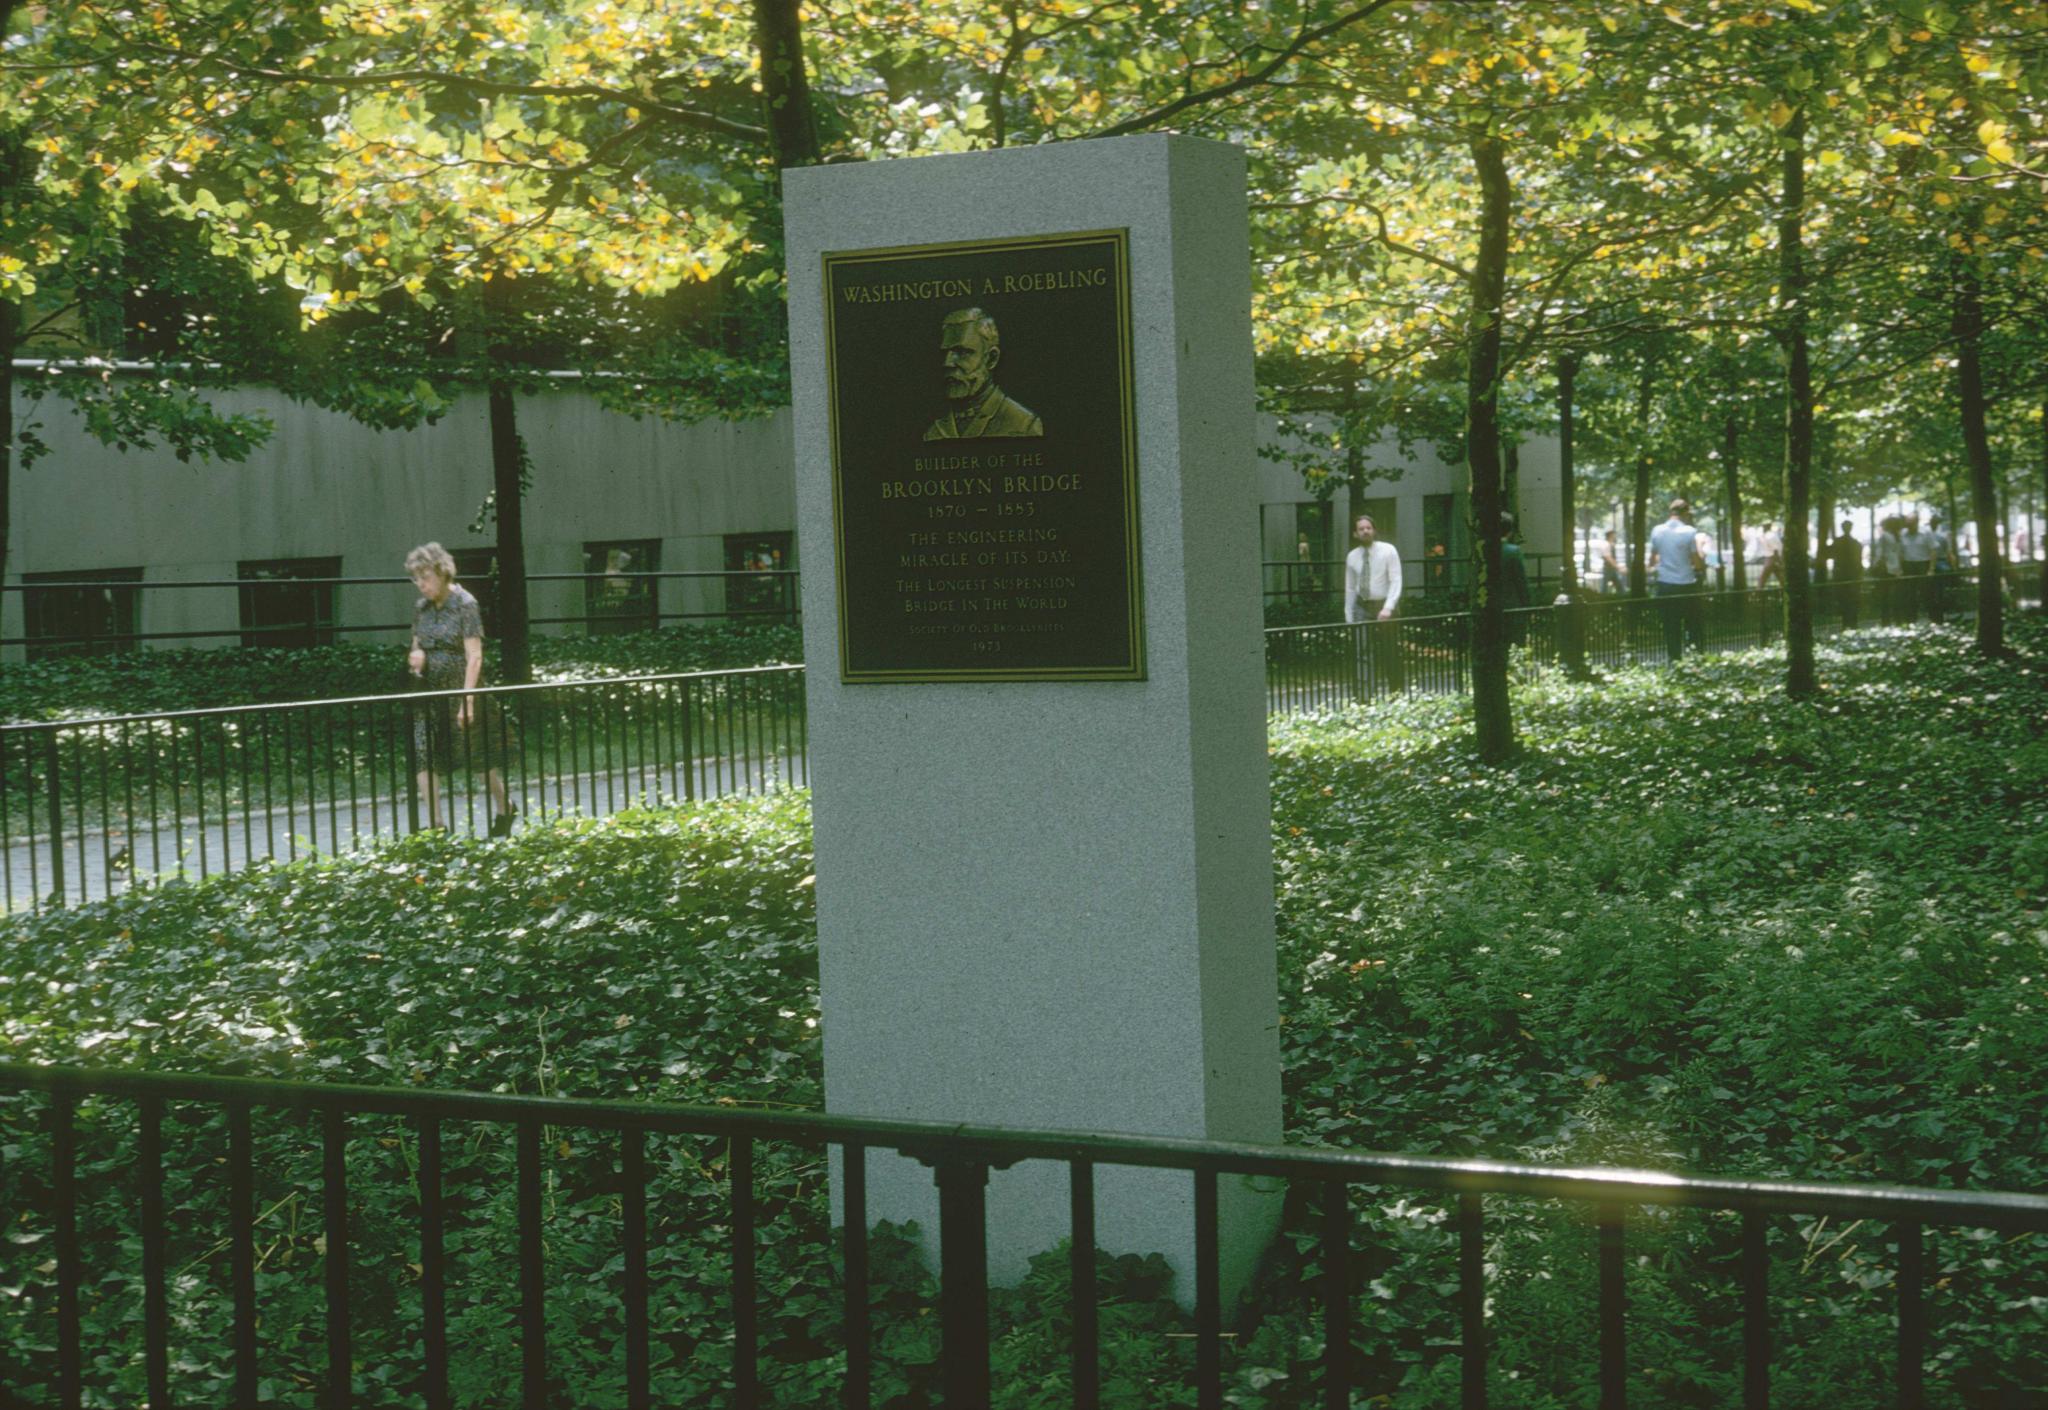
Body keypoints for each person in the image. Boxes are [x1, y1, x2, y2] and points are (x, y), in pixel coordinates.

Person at [407, 542, 517, 836]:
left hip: (462, 690)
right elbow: (417, 645)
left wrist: (467, 702)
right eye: (416, 578)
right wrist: (416, 657)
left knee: (479, 760)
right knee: (423, 755)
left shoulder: (465, 603)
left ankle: (505, 806)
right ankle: (437, 828)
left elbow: (475, 656)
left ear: (443, 573)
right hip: (429, 694)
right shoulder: (422, 608)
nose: (421, 585)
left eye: (425, 577)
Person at [922, 308, 1043, 440]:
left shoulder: (1023, 425)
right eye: (945, 353)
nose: (947, 363)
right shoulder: (934, 431)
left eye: (962, 352)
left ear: (991, 359)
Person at [1343, 513, 1405, 696]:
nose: (1365, 531)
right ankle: (1364, 697)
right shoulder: (1352, 557)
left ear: (1374, 531)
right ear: (1355, 534)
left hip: (1384, 606)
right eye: (1361, 529)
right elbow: (1350, 587)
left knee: (1390, 650)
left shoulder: (1388, 551)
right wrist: (1348, 615)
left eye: (1368, 528)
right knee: (1362, 652)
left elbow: (1396, 580)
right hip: (1362, 607)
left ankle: (1396, 694)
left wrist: (1388, 607)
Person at [1646, 497, 1707, 663]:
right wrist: (1701, 549)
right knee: (1693, 623)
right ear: (1686, 513)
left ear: (1670, 512)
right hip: (1686, 584)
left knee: (1670, 624)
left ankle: (1674, 659)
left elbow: (1652, 560)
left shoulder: (1657, 531)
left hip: (1665, 584)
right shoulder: (1690, 532)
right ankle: (1695, 657)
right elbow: (1697, 563)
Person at [1500, 513, 1531, 645]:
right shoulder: (1513, 551)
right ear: (1510, 531)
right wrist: (1527, 605)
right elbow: (1521, 581)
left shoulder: (1482, 550)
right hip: (1512, 607)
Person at [1827, 518, 1863, 628]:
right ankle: (1852, 623)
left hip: (1844, 574)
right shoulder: (1855, 543)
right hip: (1849, 574)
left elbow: (1832, 555)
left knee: (1846, 599)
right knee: (1850, 599)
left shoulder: (1839, 542)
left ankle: (1847, 623)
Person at [1899, 512, 1934, 621]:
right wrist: (1900, 567)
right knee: (1910, 594)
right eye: (1907, 524)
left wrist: (1931, 569)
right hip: (1908, 565)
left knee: (1927, 592)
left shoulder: (1926, 532)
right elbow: (1900, 551)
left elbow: (1933, 551)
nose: (1909, 526)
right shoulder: (1903, 534)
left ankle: (1932, 617)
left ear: (1917, 523)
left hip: (1923, 564)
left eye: (1911, 524)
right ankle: (1911, 619)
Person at [1872, 515, 1905, 625]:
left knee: (1885, 596)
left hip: (1886, 568)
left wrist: (1875, 564)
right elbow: (1900, 554)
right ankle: (1898, 619)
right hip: (1897, 568)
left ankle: (1885, 621)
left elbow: (1879, 553)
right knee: (1897, 595)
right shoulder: (1898, 537)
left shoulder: (1884, 536)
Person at [1926, 514, 1954, 623]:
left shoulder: (1927, 535)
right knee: (1940, 591)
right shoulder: (1942, 536)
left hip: (1930, 564)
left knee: (1932, 591)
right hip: (1941, 564)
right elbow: (1949, 553)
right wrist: (1953, 566)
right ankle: (1939, 615)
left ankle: (1934, 615)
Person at [1756, 522, 1784, 590]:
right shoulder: (1767, 535)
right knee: (1781, 577)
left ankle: (1758, 594)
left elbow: (1775, 550)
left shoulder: (1770, 536)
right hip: (1771, 558)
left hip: (1771, 558)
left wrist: (1778, 560)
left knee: (1762, 578)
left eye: (1764, 526)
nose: (1763, 528)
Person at [1598, 529, 1624, 594]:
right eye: (1614, 535)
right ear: (1610, 535)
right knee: (1605, 587)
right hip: (1608, 568)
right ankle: (1602, 598)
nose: (1615, 536)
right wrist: (1618, 567)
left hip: (1612, 569)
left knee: (1618, 585)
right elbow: (1608, 558)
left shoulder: (1610, 544)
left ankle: (1622, 596)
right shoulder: (1606, 545)